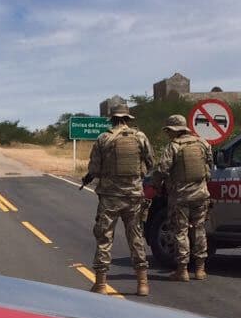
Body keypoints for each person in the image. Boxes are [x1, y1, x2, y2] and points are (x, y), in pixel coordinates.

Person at [82, 103, 153, 296]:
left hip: (110, 198)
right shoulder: (140, 137)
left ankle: (101, 284)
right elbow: (150, 162)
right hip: (134, 197)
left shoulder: (103, 138)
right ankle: (142, 283)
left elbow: (94, 169)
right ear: (128, 119)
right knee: (136, 238)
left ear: (111, 119)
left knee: (104, 239)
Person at [152, 114, 213, 281]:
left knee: (181, 231)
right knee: (199, 229)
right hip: (201, 194)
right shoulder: (203, 143)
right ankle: (200, 269)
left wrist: (156, 185)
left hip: (180, 197)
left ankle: (183, 269)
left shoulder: (173, 146)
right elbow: (210, 169)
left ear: (173, 130)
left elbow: (162, 169)